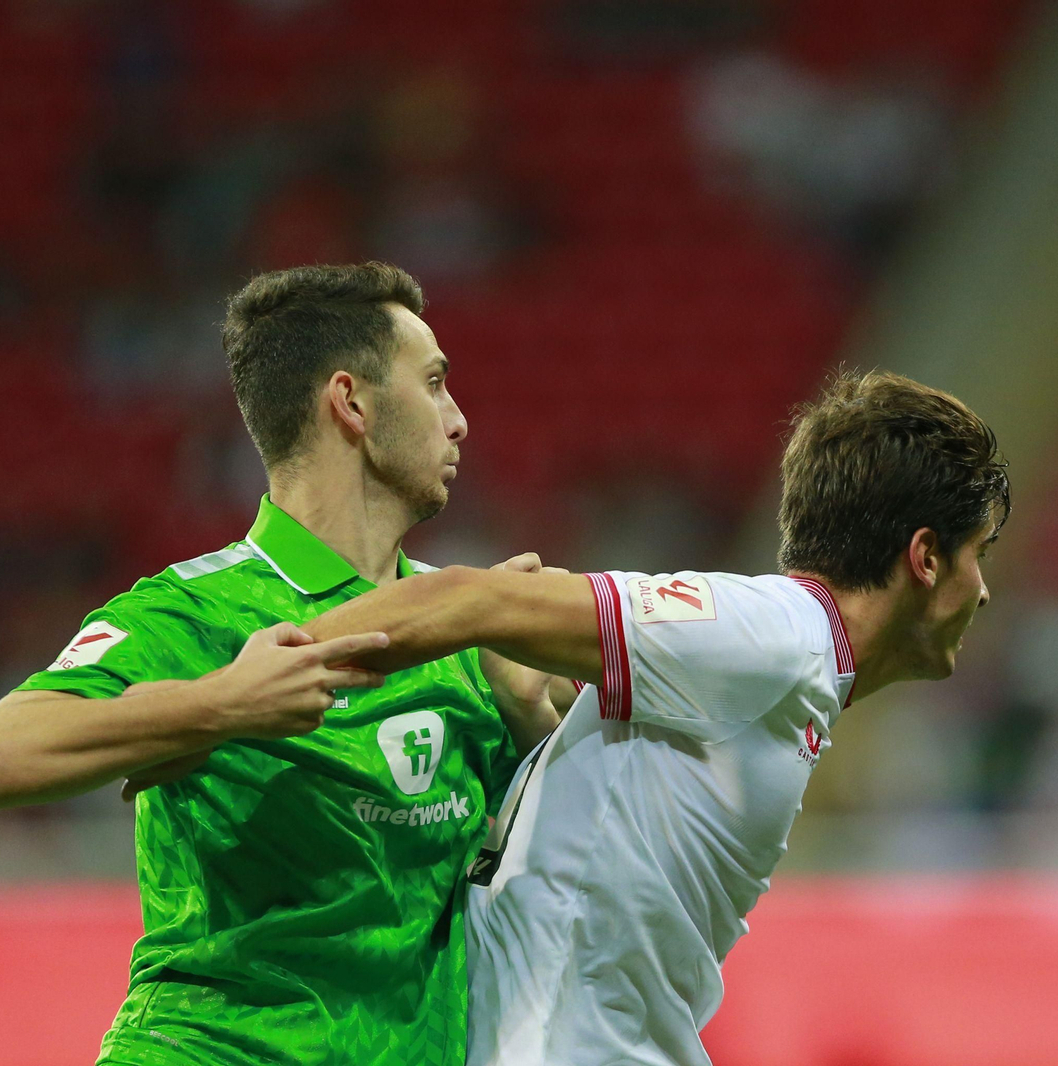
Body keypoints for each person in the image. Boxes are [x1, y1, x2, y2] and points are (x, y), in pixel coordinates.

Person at [0, 262, 560, 1066]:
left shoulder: (465, 627)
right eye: (435, 383)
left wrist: (530, 719)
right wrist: (222, 705)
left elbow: (574, 893)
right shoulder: (199, 611)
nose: (459, 420)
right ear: (352, 402)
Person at [303, 369, 1010, 1065]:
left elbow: (618, 826)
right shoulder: (774, 634)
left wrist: (534, 735)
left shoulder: (790, 667)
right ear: (924, 558)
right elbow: (470, 600)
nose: (981, 591)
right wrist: (253, 682)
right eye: (979, 553)